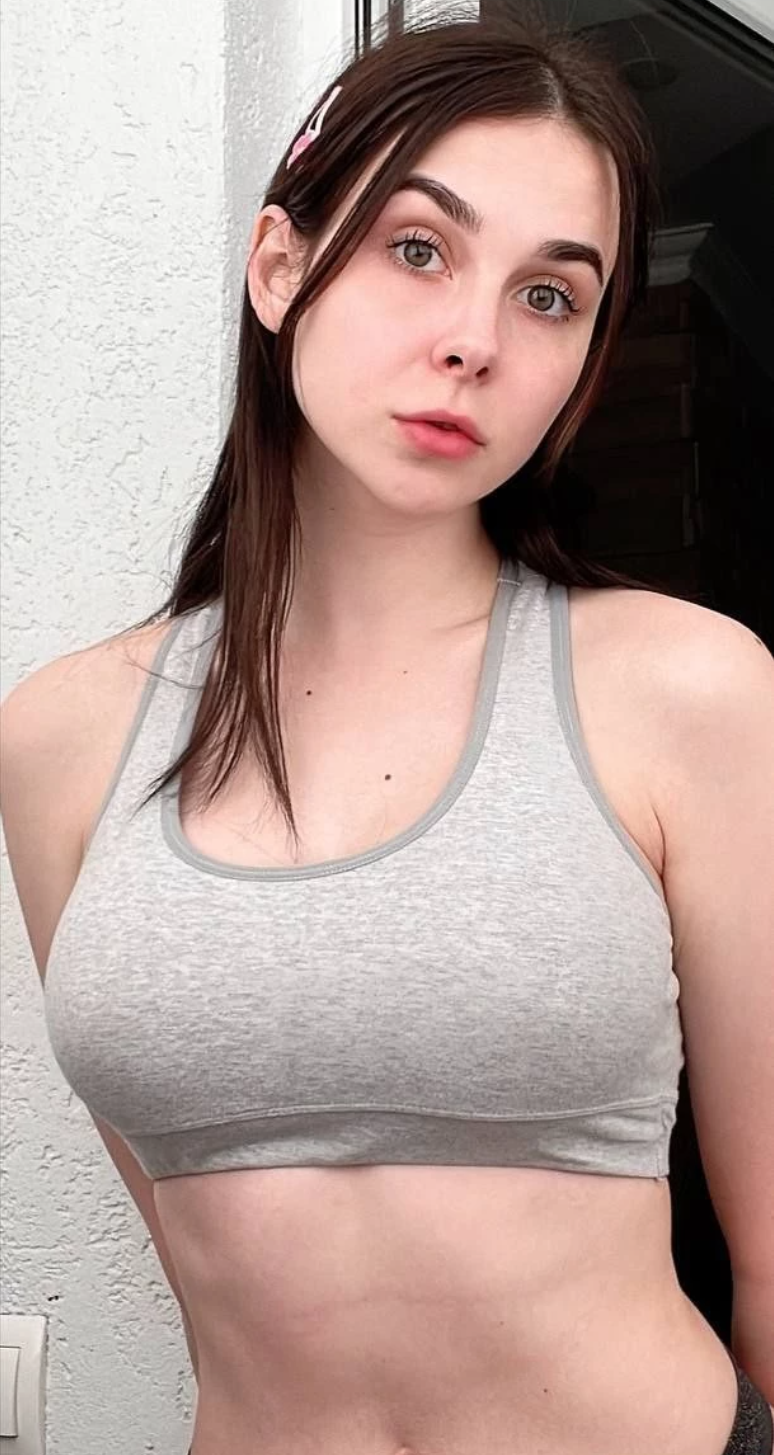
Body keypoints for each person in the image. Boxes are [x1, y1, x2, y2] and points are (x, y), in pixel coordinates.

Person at [1, 11, 773, 1455]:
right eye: (418, 249)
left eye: (550, 296)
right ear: (279, 266)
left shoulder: (689, 690)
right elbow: (200, 1257)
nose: (474, 340)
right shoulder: (63, 737)